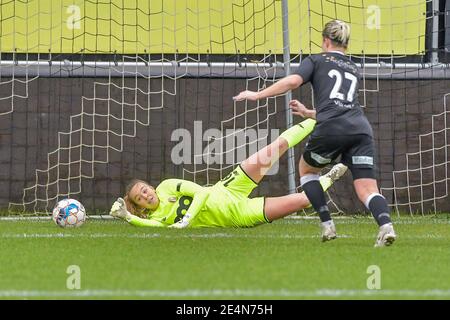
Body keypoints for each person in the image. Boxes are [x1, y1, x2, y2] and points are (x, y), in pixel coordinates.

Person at [233, 20, 396, 247]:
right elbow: (340, 106)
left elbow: (292, 81)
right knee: (367, 189)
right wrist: (309, 112)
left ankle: (327, 224)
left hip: (332, 128)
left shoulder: (316, 60)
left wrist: (257, 95)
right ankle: (386, 225)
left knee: (307, 170)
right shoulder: (352, 67)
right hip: (360, 129)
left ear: (325, 41)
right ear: (346, 44)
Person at [109, 118, 348, 228]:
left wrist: (186, 220)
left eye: (144, 190)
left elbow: (200, 193)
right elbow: (148, 227)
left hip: (227, 187)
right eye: (140, 199)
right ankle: (328, 178)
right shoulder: (156, 219)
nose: (146, 196)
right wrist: (126, 217)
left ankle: (319, 119)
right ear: (140, 207)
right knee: (305, 200)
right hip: (237, 214)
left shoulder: (167, 185)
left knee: (274, 148)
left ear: (149, 186)